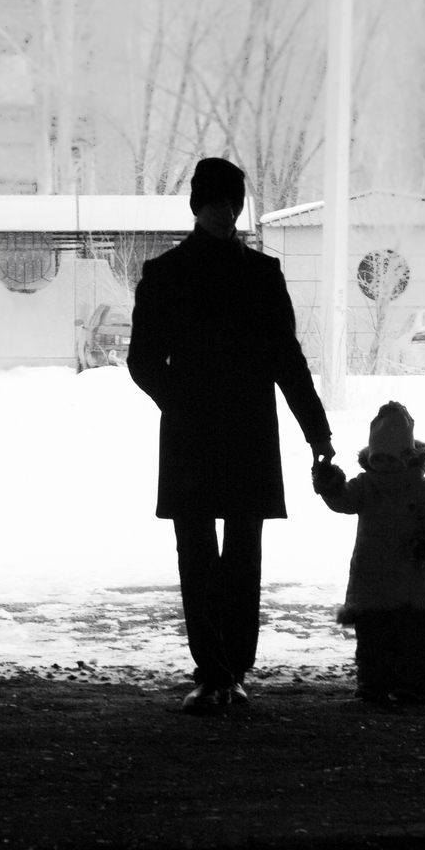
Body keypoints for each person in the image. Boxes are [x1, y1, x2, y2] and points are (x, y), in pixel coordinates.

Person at [127, 158, 337, 712]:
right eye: (217, 202)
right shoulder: (241, 276)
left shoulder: (177, 274)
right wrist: (187, 402)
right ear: (199, 205)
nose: (225, 211)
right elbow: (142, 361)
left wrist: (318, 433)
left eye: (231, 201)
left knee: (226, 553)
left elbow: (287, 361)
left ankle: (225, 671)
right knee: (211, 553)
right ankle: (221, 670)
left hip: (203, 433)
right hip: (236, 429)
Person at [311, 401, 425, 702]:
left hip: (411, 581)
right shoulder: (365, 485)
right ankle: (375, 683)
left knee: (414, 638)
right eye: (379, 458)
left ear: (407, 456)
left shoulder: (422, 489)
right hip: (374, 579)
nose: (383, 466)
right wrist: (330, 484)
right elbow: (343, 501)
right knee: (373, 638)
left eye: (390, 458)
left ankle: (412, 685)